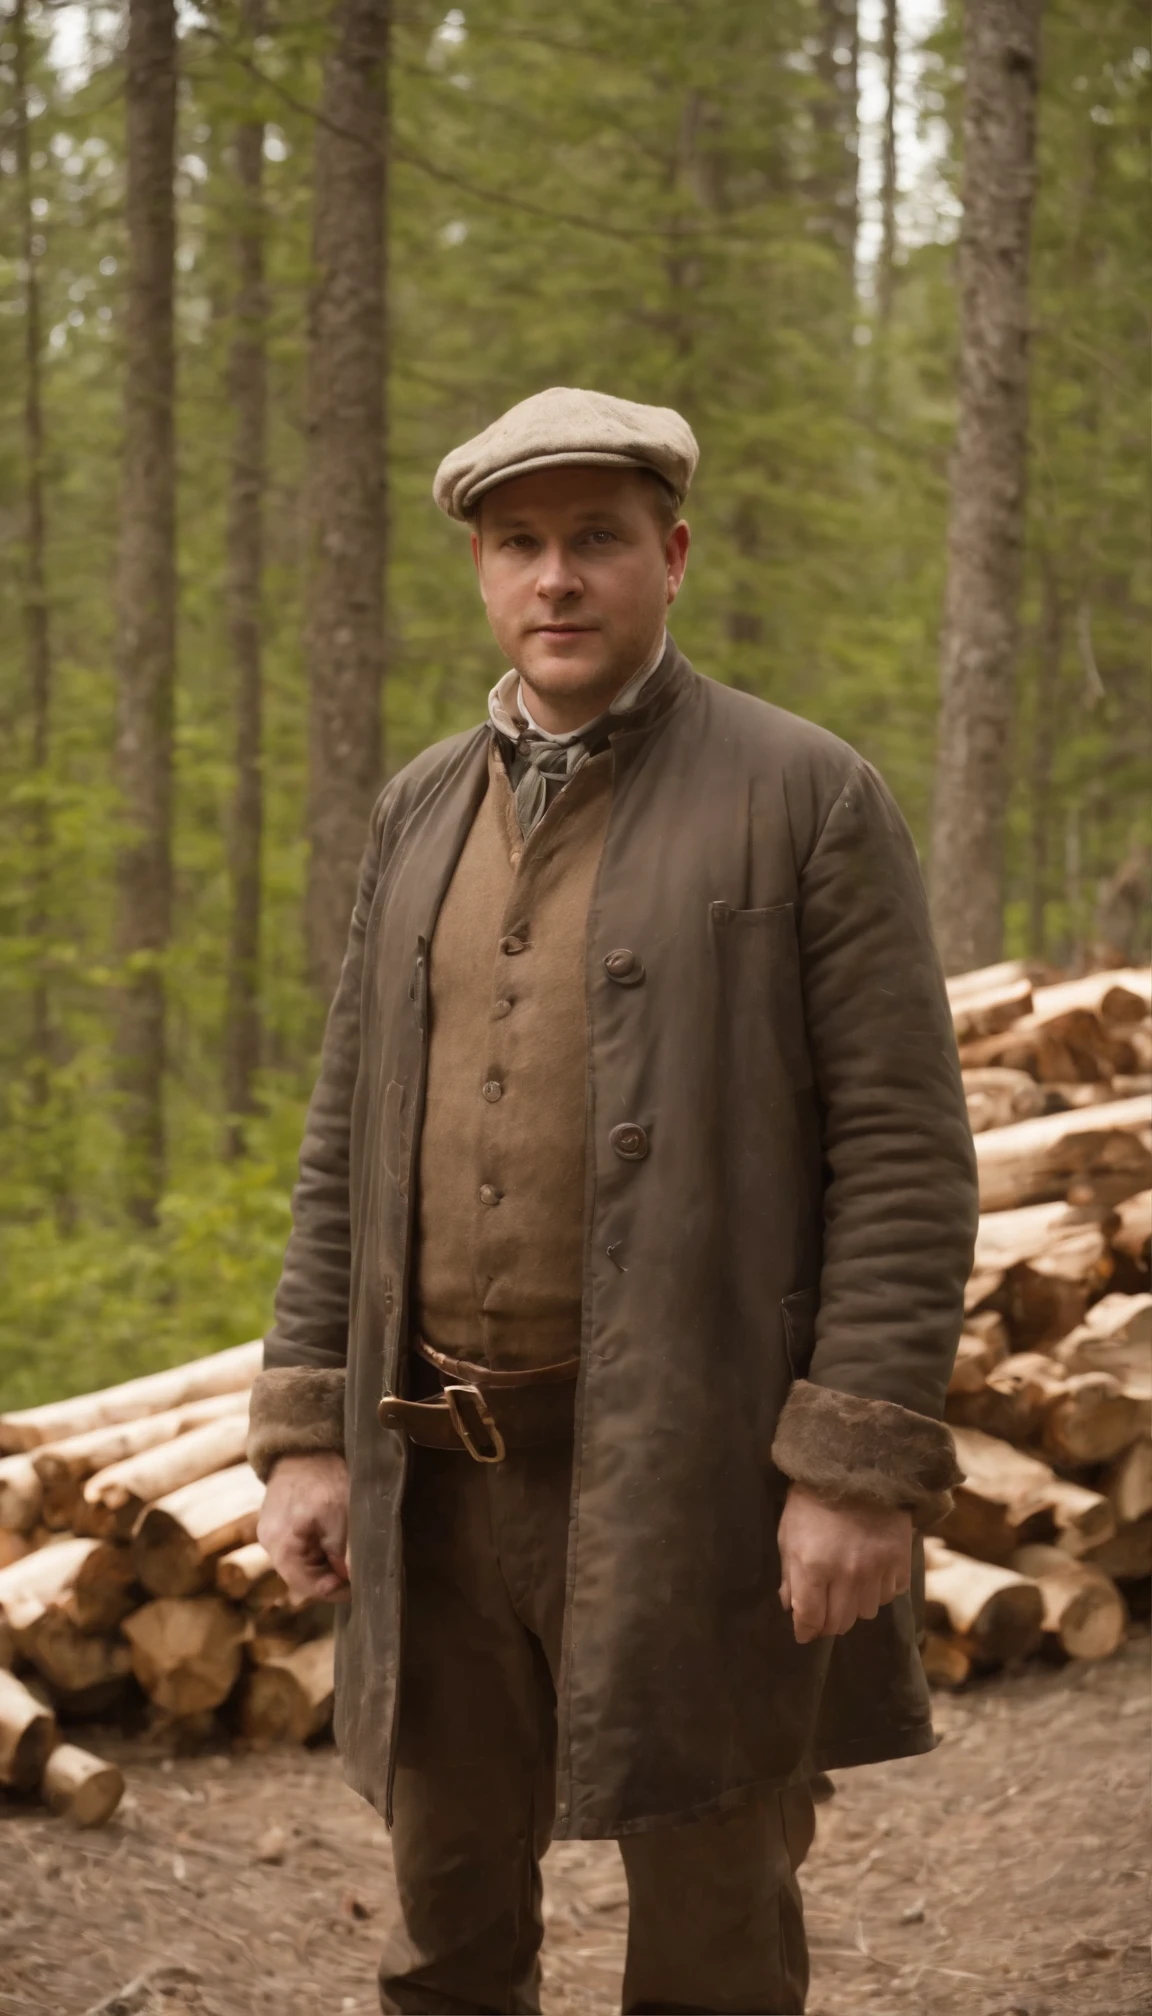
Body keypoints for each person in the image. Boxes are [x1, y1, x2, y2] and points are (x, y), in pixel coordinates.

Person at [248, 386, 978, 2015]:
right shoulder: (419, 806)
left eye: (596, 540)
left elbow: (907, 1153)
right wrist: (306, 1424)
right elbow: (343, 1142)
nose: (556, 579)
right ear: (485, 575)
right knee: (442, 1941)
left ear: (675, 553)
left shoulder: (809, 796)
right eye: (521, 545)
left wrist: (851, 1465)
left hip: (703, 1484)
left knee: (714, 1941)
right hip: (435, 1486)